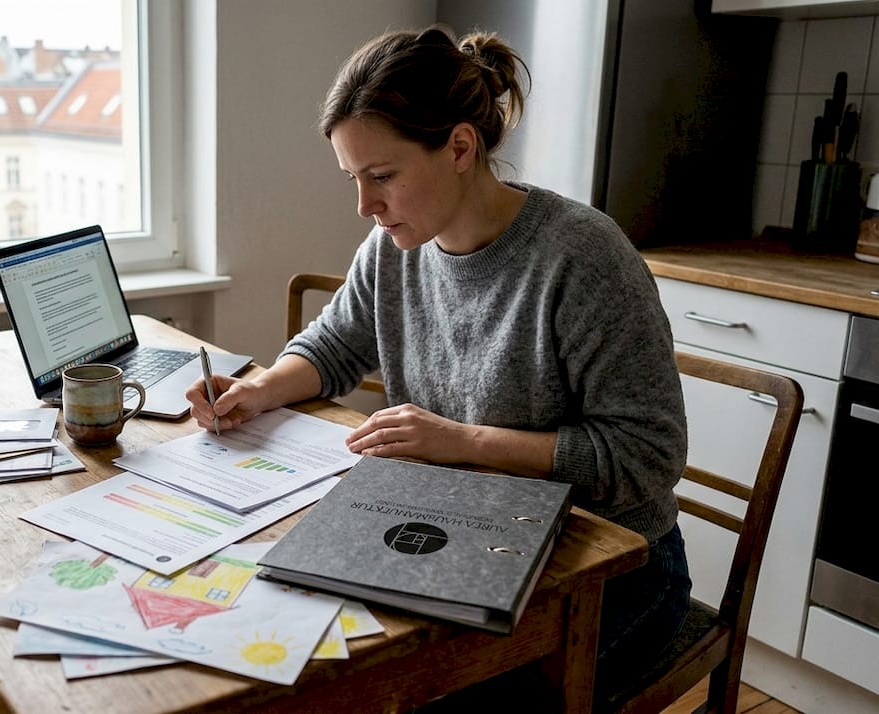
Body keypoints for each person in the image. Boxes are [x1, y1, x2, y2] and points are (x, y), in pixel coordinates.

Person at [186, 24, 691, 706]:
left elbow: (646, 457)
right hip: (471, 530)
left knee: (437, 696)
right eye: (354, 179)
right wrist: (260, 388)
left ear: (459, 146)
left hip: (612, 572)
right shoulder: (394, 245)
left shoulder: (582, 259)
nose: (365, 205)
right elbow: (335, 344)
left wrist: (461, 441)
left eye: (382, 176)